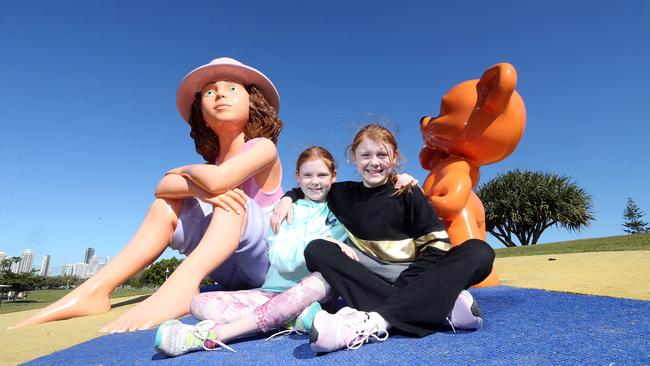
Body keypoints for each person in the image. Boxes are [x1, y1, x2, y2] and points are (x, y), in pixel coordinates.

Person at [12, 58, 285, 333]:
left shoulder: (262, 148)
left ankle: (181, 286)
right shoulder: (208, 169)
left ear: (253, 102)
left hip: (269, 264)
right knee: (166, 206)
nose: (221, 94)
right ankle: (95, 291)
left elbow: (219, 181)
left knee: (230, 197)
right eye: (210, 91)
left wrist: (186, 170)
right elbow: (162, 188)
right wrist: (199, 186)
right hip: (229, 269)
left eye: (232, 89)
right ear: (201, 112)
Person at [274, 124, 495, 353]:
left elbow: (437, 248)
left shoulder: (407, 191)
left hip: (415, 277)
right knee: (316, 249)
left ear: (395, 157)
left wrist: (405, 287)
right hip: (371, 279)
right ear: (354, 157)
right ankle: (442, 310)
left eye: (382, 154)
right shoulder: (343, 193)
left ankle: (374, 322)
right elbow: (313, 187)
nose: (374, 162)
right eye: (366, 155)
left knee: (480, 251)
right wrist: (288, 197)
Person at [153, 146, 346, 357]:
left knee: (320, 279)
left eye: (322, 175)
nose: (315, 181)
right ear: (297, 177)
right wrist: (313, 244)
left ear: (333, 176)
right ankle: (292, 319)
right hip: (272, 291)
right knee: (199, 303)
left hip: (314, 292)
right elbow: (281, 258)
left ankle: (216, 334)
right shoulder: (284, 209)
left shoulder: (342, 210)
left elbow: (327, 259)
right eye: (307, 175)